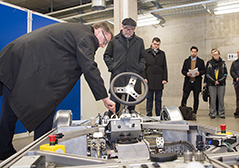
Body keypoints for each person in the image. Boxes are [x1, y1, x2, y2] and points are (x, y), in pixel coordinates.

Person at [0, 22, 116, 160]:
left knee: (11, 109)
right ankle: (41, 153)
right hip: (26, 62)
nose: (103, 46)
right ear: (98, 32)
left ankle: (5, 149)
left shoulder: (77, 30)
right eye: (104, 41)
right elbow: (89, 67)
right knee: (43, 108)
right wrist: (104, 97)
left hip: (16, 59)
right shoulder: (87, 37)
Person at [103, 18, 146, 114]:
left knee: (131, 107)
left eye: (131, 29)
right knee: (114, 107)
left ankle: (131, 127)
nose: (128, 31)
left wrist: (140, 68)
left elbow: (143, 57)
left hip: (133, 77)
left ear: (134, 29)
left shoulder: (139, 41)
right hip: (118, 76)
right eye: (126, 28)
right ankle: (111, 124)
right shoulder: (114, 40)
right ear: (122, 27)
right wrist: (112, 67)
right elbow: (107, 55)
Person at [144, 37, 168, 117]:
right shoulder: (146, 53)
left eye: (158, 45)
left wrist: (165, 78)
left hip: (159, 79)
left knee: (158, 99)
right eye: (155, 44)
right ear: (151, 43)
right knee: (149, 99)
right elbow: (143, 66)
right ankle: (149, 115)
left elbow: (164, 67)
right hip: (149, 79)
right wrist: (144, 77)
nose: (156, 46)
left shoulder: (162, 54)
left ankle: (158, 115)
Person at [181, 46, 206, 114]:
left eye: (195, 52)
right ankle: (183, 111)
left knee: (196, 98)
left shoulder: (201, 61)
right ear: (190, 52)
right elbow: (183, 70)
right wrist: (187, 73)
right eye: (192, 52)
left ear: (197, 52)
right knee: (185, 97)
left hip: (196, 82)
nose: (193, 53)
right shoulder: (186, 61)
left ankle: (194, 112)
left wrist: (199, 73)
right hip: (188, 82)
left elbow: (204, 70)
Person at [205, 49, 228, 119]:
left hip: (221, 84)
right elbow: (207, 74)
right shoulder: (209, 63)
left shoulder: (223, 63)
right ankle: (212, 113)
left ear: (219, 55)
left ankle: (221, 113)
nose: (215, 56)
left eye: (217, 54)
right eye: (214, 54)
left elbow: (225, 74)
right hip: (212, 84)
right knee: (212, 99)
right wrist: (213, 81)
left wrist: (219, 81)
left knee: (221, 99)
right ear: (212, 55)